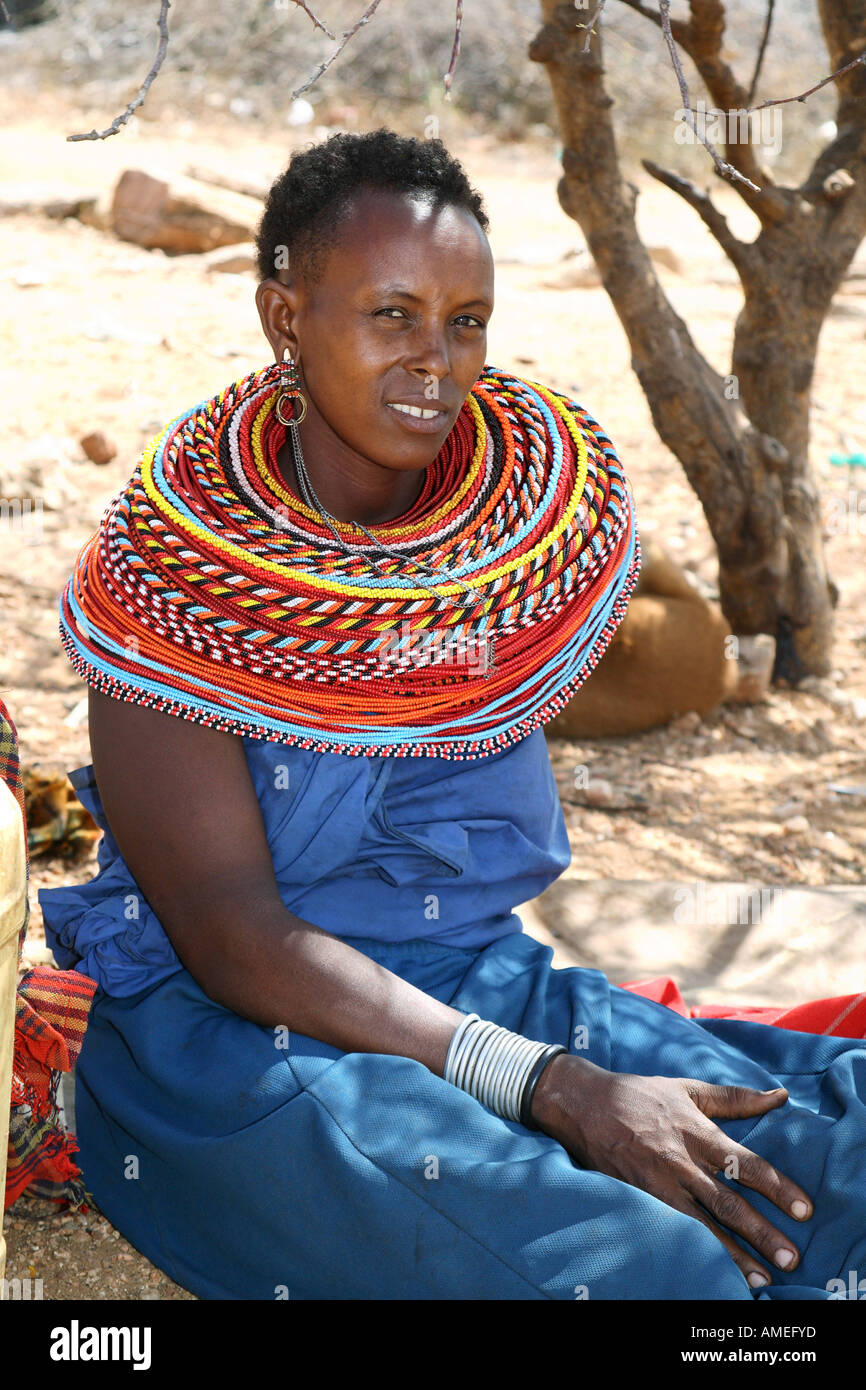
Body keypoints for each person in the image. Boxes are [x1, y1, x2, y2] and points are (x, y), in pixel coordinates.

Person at [39, 130, 866, 1301]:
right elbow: (236, 941)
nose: (436, 361)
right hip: (248, 1044)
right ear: (284, 316)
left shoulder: (506, 548)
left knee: (835, 1155)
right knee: (650, 1274)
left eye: (465, 320)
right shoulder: (173, 582)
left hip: (468, 977)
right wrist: (557, 1090)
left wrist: (549, 1062)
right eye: (392, 314)